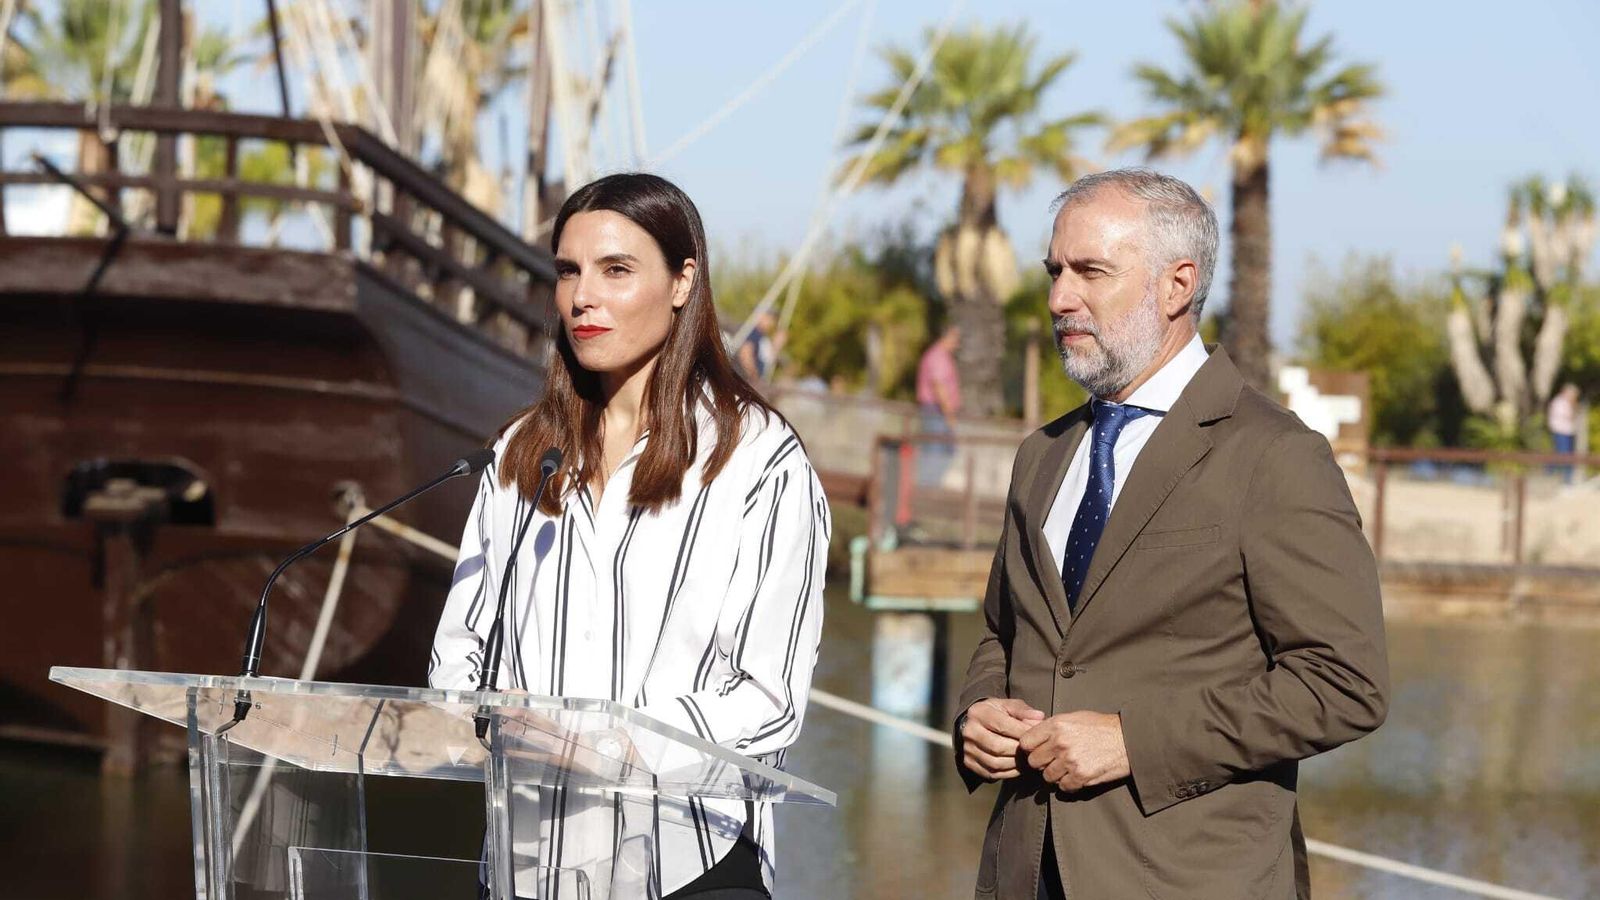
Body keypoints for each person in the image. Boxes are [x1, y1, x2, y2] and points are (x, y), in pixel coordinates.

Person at [952, 168, 1389, 900]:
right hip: (1023, 873)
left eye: (1091, 271)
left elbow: (1345, 683)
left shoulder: (1275, 457)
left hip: (1189, 878)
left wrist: (1133, 740)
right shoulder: (1043, 454)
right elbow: (1004, 634)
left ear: (1176, 285)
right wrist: (977, 711)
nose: (1061, 298)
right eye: (1055, 271)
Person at [430, 173, 830, 900]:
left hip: (689, 870)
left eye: (617, 270)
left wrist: (610, 745)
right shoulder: (519, 454)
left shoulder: (760, 462)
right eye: (568, 272)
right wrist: (484, 716)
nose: (584, 297)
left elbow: (770, 697)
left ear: (683, 281)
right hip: (526, 865)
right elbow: (457, 654)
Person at [915, 325, 962, 487]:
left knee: (945, 451)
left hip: (939, 412)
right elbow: (939, 386)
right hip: (936, 412)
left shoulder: (943, 357)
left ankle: (929, 487)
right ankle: (926, 490)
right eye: (955, 339)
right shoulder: (938, 357)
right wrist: (949, 415)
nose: (957, 343)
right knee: (934, 453)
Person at [735, 310, 782, 382]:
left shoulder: (762, 337)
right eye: (769, 318)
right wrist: (755, 378)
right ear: (761, 316)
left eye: (773, 320)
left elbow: (769, 359)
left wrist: (777, 343)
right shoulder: (753, 331)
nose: (771, 323)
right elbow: (745, 355)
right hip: (742, 378)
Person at [1549, 382, 1580, 481]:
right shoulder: (1559, 402)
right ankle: (1562, 478)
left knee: (1565, 455)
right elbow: (1569, 416)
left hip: (1568, 432)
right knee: (1563, 455)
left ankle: (1566, 478)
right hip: (1561, 432)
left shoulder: (1567, 402)